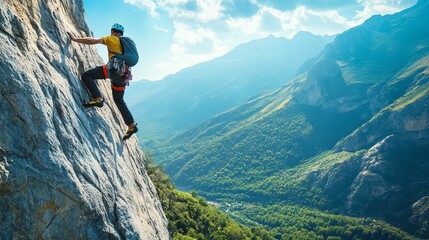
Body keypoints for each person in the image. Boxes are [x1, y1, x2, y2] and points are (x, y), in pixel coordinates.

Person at [67, 23, 138, 141]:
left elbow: (92, 40)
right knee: (119, 100)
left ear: (112, 32)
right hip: (123, 76)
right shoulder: (125, 44)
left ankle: (97, 99)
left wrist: (74, 39)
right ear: (122, 33)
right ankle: (131, 125)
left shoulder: (111, 38)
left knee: (87, 75)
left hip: (113, 70)